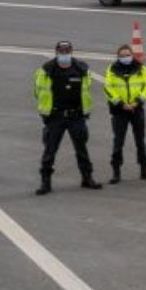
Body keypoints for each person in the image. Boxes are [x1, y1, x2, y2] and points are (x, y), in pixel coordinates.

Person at [34, 39, 102, 194]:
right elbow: (38, 91)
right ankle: (45, 182)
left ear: (71, 52)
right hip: (55, 116)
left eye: (67, 51)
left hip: (76, 116)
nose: (64, 54)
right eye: (61, 51)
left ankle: (87, 178)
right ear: (56, 52)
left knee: (81, 149)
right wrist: (46, 113)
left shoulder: (81, 70)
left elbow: (86, 90)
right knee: (50, 151)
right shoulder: (46, 71)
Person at [103, 42, 146, 184]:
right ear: (117, 57)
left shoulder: (141, 68)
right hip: (119, 111)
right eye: (122, 56)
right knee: (118, 142)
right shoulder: (112, 70)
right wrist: (121, 104)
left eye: (127, 55)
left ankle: (144, 170)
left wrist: (137, 101)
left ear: (132, 55)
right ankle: (116, 172)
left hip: (136, 109)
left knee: (140, 141)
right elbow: (108, 88)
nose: (125, 57)